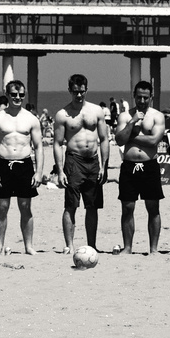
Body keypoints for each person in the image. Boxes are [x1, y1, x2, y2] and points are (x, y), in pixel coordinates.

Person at [0, 80, 43, 255]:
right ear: (7, 95)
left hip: (24, 165)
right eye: (14, 94)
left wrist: (39, 172)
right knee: (2, 207)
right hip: (4, 164)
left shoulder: (31, 119)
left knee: (25, 206)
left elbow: (39, 146)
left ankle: (28, 246)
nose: (18, 98)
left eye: (21, 95)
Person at [53, 74, 109, 252]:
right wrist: (60, 171)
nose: (79, 95)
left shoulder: (96, 111)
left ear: (86, 89)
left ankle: (92, 244)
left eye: (82, 91)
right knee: (71, 204)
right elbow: (57, 144)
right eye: (76, 92)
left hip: (93, 161)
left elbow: (104, 139)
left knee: (92, 205)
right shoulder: (63, 115)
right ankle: (69, 245)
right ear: (70, 90)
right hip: (74, 160)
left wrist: (104, 166)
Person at [115, 81, 166, 255]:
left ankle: (153, 249)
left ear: (151, 97)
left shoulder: (157, 116)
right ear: (134, 96)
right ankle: (128, 247)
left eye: (145, 97)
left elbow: (153, 141)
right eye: (139, 97)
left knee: (153, 207)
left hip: (149, 165)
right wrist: (132, 123)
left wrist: (131, 137)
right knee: (127, 207)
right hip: (129, 166)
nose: (142, 101)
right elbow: (119, 139)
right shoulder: (125, 116)